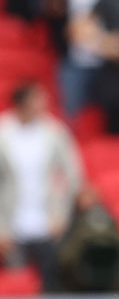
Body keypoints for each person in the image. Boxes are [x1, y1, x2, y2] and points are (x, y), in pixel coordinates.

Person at [0, 82, 85, 292]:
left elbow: (73, 174)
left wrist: (61, 214)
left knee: (50, 285)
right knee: (17, 285)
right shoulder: (4, 132)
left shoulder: (54, 131)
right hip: (12, 226)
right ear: (22, 102)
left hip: (48, 225)